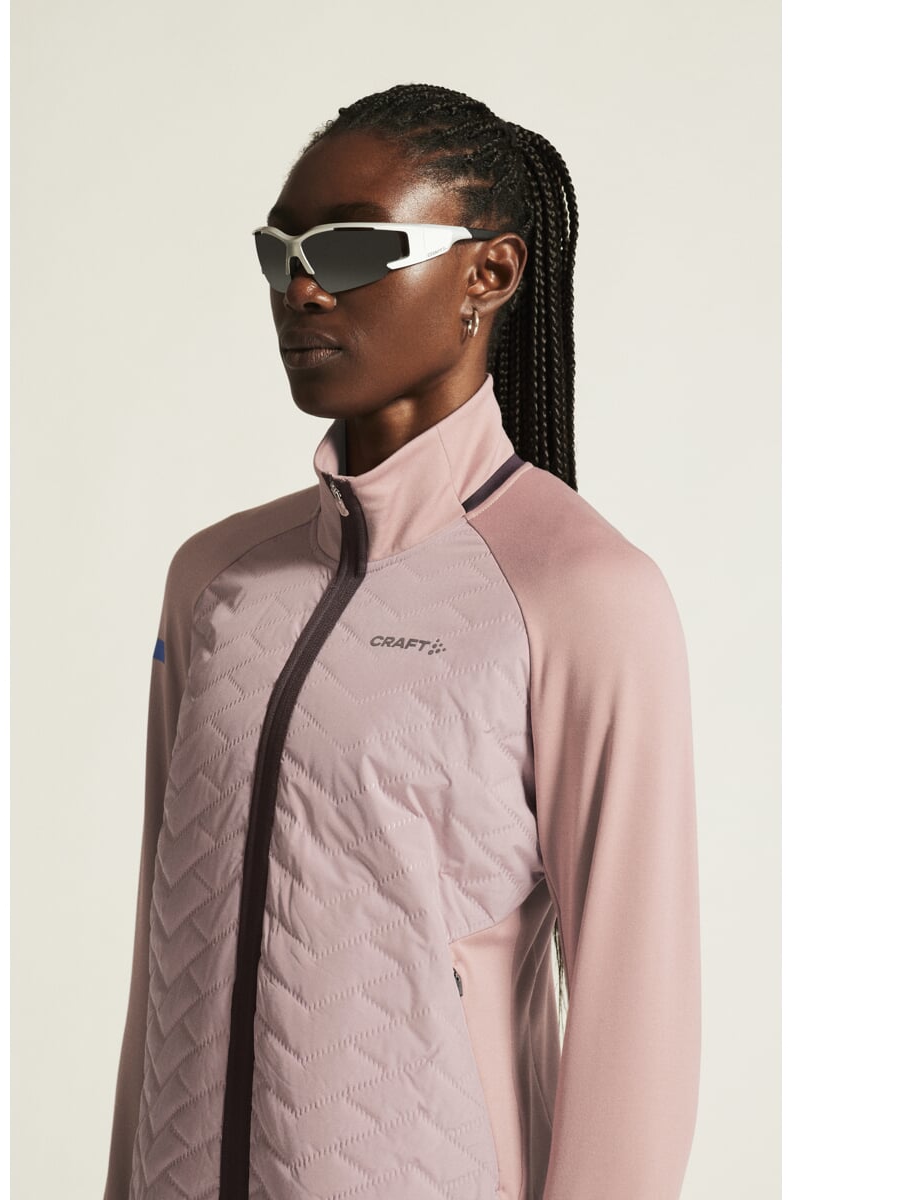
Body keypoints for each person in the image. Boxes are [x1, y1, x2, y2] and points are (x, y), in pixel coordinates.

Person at [102, 82, 701, 1200]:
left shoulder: (581, 594)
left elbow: (638, 1017)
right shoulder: (216, 580)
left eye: (352, 248)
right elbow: (163, 948)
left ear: (490, 273)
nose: (302, 285)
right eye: (280, 251)